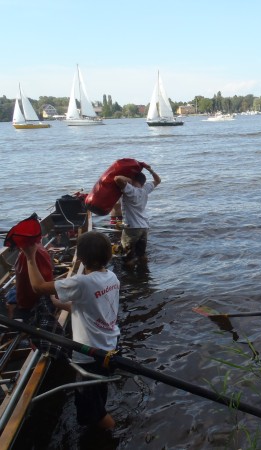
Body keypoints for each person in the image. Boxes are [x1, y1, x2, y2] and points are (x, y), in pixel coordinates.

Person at [24, 231, 120, 431]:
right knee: (97, 396)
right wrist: (60, 303)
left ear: (82, 259)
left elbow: (38, 287)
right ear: (108, 256)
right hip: (109, 347)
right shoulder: (111, 277)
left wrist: (30, 256)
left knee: (94, 411)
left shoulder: (82, 282)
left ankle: (116, 435)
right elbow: (92, 309)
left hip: (89, 356)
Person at [114, 162, 161, 267]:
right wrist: (150, 170)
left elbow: (117, 178)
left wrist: (128, 179)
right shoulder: (145, 190)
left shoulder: (131, 190)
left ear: (134, 180)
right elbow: (158, 180)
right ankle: (144, 275)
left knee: (127, 257)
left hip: (132, 228)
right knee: (142, 255)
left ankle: (131, 279)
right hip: (144, 227)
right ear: (143, 182)